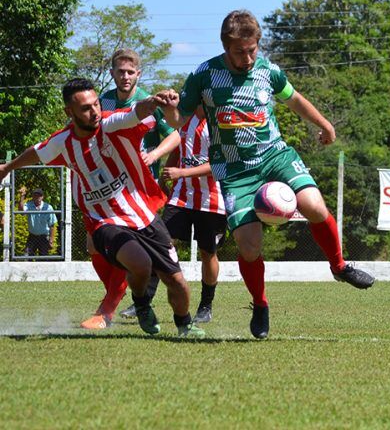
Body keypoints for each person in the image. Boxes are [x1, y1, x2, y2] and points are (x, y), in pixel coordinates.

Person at [156, 9, 374, 340]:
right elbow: (177, 121)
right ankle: (260, 304)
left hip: (275, 156)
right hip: (234, 171)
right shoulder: (204, 75)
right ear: (225, 46)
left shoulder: (267, 70)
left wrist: (325, 125)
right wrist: (172, 105)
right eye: (240, 51)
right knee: (249, 246)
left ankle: (340, 266)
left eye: (252, 49)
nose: (247, 57)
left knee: (314, 206)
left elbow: (295, 99)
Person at [0, 78, 204, 338]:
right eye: (86, 108)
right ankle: (141, 304)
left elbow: (136, 111)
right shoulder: (63, 142)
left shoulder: (110, 123)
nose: (94, 111)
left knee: (177, 281)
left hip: (143, 214)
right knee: (140, 264)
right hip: (104, 221)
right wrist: (7, 168)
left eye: (96, 103)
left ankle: (184, 323)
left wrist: (153, 101)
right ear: (69, 112)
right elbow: (36, 152)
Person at [81, 48, 180, 329]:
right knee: (93, 246)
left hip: (137, 190)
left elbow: (174, 135)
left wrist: (154, 154)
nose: (125, 76)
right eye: (120, 71)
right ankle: (118, 295)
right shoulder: (102, 102)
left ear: (139, 73)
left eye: (130, 72)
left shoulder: (149, 103)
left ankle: (108, 308)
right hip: (105, 187)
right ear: (111, 73)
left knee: (130, 247)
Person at [161, 109, 227, 324]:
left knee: (208, 253)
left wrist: (181, 173)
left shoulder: (220, 122)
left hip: (212, 199)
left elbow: (219, 165)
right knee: (161, 244)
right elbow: (179, 147)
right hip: (181, 195)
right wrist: (167, 172)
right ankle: (143, 302)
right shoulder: (184, 118)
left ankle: (206, 305)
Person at [19, 187, 57, 257]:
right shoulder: (29, 205)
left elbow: (52, 225)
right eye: (35, 195)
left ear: (42, 197)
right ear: (32, 196)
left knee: (43, 259)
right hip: (32, 236)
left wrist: (51, 240)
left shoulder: (48, 207)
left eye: (39, 195)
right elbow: (21, 212)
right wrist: (22, 196)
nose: (37, 197)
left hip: (44, 237)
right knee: (26, 257)